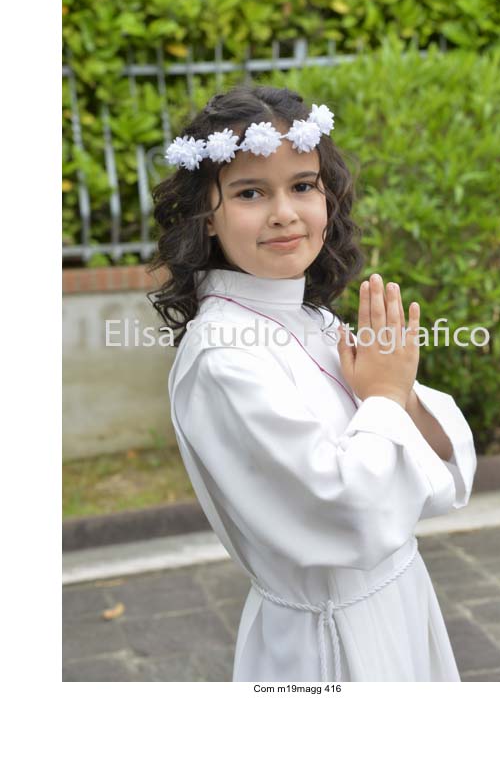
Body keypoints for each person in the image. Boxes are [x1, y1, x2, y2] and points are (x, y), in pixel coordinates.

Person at [149, 84, 477, 682]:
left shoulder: (313, 318)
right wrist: (384, 397)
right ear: (207, 217)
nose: (284, 212)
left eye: (303, 185)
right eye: (250, 193)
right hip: (330, 641)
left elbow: (437, 476)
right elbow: (348, 514)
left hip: (400, 600)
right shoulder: (223, 359)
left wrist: (398, 392)